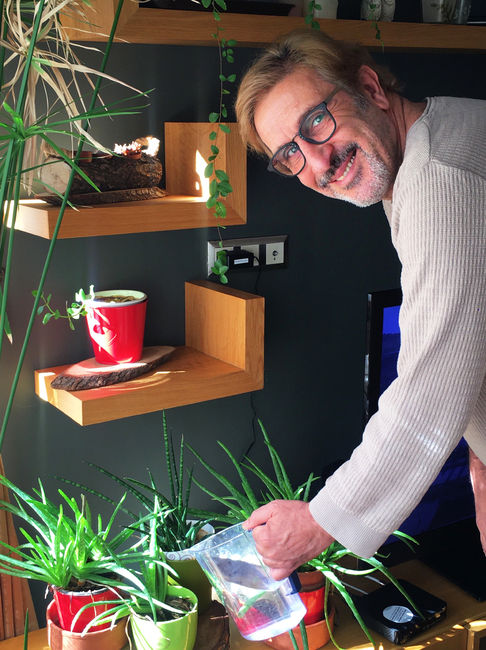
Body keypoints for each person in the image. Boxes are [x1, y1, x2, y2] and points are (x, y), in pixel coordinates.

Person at [235, 28, 486, 579]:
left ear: (369, 87)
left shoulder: (439, 180)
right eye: (290, 155)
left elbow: (433, 382)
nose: (318, 160)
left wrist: (321, 520)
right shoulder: (443, 131)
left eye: (316, 122)